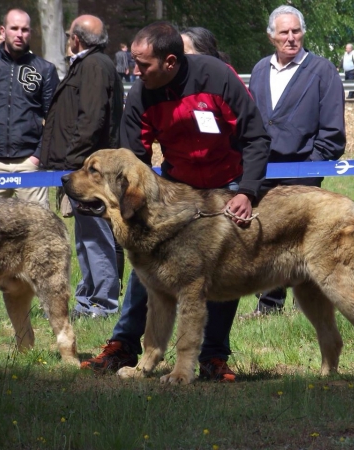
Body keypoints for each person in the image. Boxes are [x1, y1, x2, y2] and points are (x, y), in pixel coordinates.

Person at [80, 22, 270, 382]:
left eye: (143, 65)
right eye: (134, 63)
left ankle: (213, 358)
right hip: (175, 187)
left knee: (221, 268)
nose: (135, 71)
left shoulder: (218, 77)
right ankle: (123, 346)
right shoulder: (141, 93)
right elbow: (131, 158)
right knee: (146, 264)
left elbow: (256, 135)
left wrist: (246, 191)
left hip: (225, 184)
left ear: (170, 61)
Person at [248, 4, 346, 315]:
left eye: (296, 31)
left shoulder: (323, 70)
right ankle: (269, 305)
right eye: (284, 32)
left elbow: (333, 131)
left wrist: (312, 165)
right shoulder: (261, 70)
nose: (291, 38)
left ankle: (312, 306)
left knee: (304, 240)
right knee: (265, 236)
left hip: (304, 169)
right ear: (271, 37)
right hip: (264, 169)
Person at [0, 9, 59, 318]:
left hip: (30, 166)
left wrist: (37, 157)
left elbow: (53, 120)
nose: (20, 34)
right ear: (2, 31)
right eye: (14, 28)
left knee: (38, 236)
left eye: (25, 29)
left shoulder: (44, 70)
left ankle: (45, 300)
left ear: (31, 33)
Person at [39, 15, 124, 319]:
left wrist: (74, 163)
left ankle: (103, 302)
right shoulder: (88, 64)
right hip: (84, 170)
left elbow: (91, 120)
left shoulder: (93, 67)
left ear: (75, 38)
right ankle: (87, 300)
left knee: (97, 236)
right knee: (86, 237)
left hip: (90, 172)